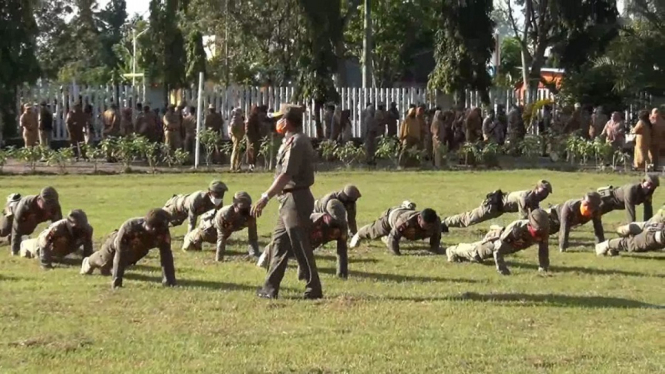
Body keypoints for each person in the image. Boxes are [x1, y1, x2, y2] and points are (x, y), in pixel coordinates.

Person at [251, 103, 322, 300]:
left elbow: (286, 174)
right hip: (289, 199)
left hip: (296, 199)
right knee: (279, 244)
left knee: (300, 246)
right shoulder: (291, 140)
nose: (277, 122)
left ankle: (313, 288)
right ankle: (269, 288)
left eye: (280, 118)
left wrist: (265, 197)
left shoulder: (297, 142)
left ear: (288, 121)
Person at [80, 209, 175, 289]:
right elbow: (120, 254)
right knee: (103, 260)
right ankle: (88, 262)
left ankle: (110, 269)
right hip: (114, 246)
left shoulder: (163, 232)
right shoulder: (130, 227)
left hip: (136, 250)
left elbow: (166, 256)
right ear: (152, 228)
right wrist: (117, 281)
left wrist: (169, 281)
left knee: (126, 261)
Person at [259, 199, 350, 278]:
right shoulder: (314, 221)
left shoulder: (342, 226)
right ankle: (266, 255)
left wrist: (342, 274)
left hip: (314, 239)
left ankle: (304, 276)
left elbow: (342, 250)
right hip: (295, 232)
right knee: (282, 247)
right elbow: (304, 247)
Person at [447, 209, 550, 275]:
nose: (541, 231)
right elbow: (497, 249)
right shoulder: (516, 228)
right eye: (538, 229)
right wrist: (502, 270)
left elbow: (543, 249)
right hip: (494, 243)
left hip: (510, 247)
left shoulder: (543, 230)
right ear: (530, 225)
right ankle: (452, 250)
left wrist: (543, 267)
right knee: (476, 254)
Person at [181, 191, 259, 261]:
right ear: (234, 205)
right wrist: (219, 259)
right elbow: (221, 237)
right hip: (207, 230)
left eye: (247, 208)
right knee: (188, 247)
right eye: (242, 209)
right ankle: (190, 237)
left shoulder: (250, 214)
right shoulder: (224, 214)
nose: (245, 212)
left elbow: (253, 237)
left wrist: (254, 255)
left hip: (223, 233)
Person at [443, 180, 553, 228]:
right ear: (536, 189)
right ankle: (445, 223)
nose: (544, 195)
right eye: (542, 191)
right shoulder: (525, 197)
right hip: (493, 206)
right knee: (469, 219)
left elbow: (535, 214)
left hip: (499, 209)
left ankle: (446, 222)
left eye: (546, 193)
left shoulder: (534, 199)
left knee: (469, 218)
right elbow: (523, 218)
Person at [349, 205, 443, 256]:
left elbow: (436, 237)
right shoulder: (405, 221)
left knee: (412, 234)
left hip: (410, 225)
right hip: (390, 218)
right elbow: (394, 237)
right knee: (374, 232)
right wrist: (396, 253)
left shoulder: (436, 222)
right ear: (419, 218)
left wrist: (433, 250)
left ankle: (406, 205)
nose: (428, 227)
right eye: (425, 224)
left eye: (430, 225)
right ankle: (359, 235)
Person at [19, 210, 93, 270]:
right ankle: (25, 243)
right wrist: (46, 264)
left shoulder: (87, 229)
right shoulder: (58, 227)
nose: (80, 228)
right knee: (34, 247)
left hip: (64, 249)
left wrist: (87, 263)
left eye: (82, 225)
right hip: (40, 246)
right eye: (77, 226)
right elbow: (43, 242)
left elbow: (88, 247)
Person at [1, 187, 62, 256]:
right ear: (39, 200)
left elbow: (59, 227)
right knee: (3, 231)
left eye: (52, 204)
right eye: (46, 204)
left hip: (28, 220)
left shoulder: (55, 207)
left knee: (27, 230)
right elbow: (16, 228)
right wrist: (14, 251)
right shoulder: (26, 204)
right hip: (12, 212)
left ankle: (9, 239)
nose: (49, 207)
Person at [162, 180, 228, 233]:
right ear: (209, 193)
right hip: (175, 206)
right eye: (217, 194)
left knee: (176, 222)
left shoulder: (218, 201)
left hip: (185, 212)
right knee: (160, 220)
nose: (219, 197)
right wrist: (190, 238)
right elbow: (192, 221)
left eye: (222, 194)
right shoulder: (197, 199)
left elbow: (218, 217)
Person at [245, 106, 263, 172]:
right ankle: (251, 165)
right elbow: (247, 129)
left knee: (255, 151)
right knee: (251, 151)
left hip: (255, 136)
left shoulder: (256, 117)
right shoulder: (250, 118)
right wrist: (249, 137)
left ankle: (253, 165)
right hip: (251, 137)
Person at [228, 107, 245, 172]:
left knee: (238, 152)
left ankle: (238, 166)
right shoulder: (234, 120)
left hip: (240, 137)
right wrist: (235, 135)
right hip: (236, 137)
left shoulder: (240, 120)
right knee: (235, 151)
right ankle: (232, 166)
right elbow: (232, 129)